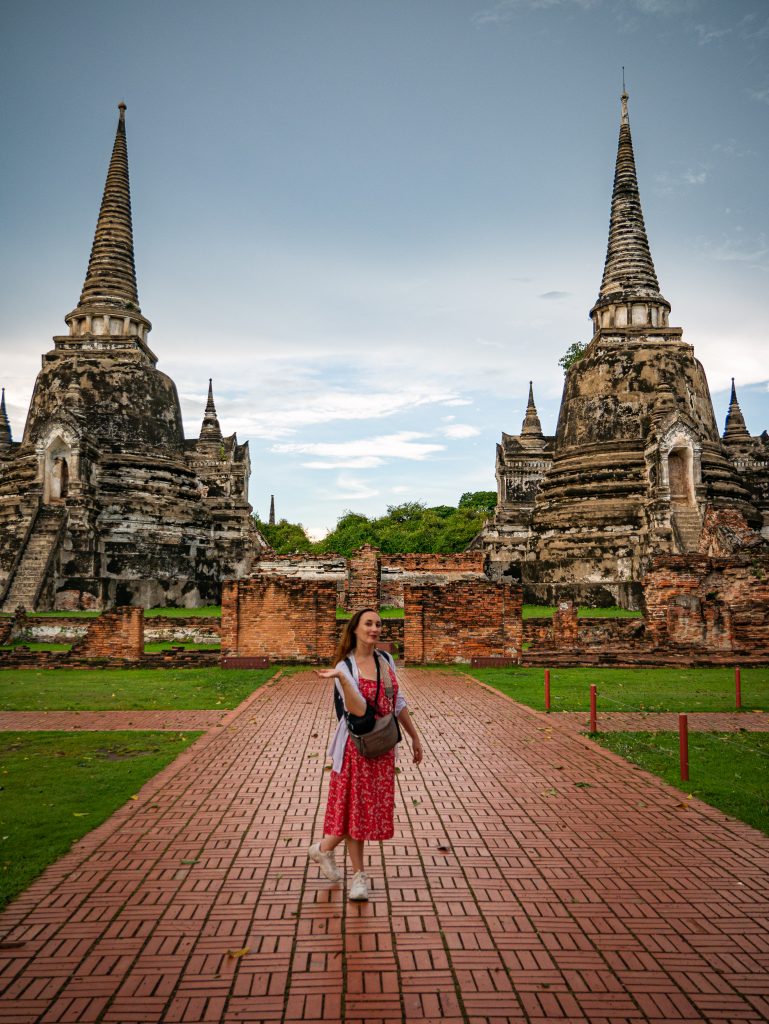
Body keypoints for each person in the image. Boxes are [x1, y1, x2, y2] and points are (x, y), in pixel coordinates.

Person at [309, 607, 423, 901]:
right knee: (356, 811)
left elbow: (396, 700)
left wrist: (414, 737)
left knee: (364, 810)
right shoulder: (344, 668)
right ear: (355, 629)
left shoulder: (386, 659)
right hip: (356, 747)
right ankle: (358, 877)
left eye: (378, 624)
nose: (375, 628)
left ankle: (322, 850)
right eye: (368, 623)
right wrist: (343, 680)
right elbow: (358, 710)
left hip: (383, 746)